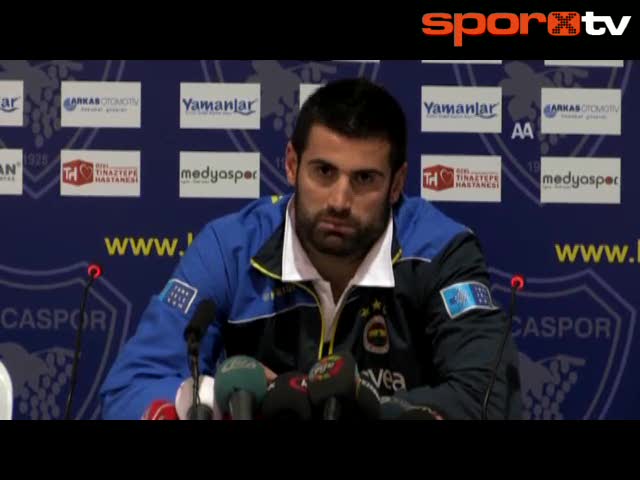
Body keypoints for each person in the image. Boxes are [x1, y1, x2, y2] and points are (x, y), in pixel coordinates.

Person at [99, 77, 522, 420]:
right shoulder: (230, 249)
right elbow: (132, 386)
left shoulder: (440, 252)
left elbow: (488, 397)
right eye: (324, 171)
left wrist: (353, 407)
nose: (339, 200)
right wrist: (217, 398)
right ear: (291, 164)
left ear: (396, 184)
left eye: (364, 179)